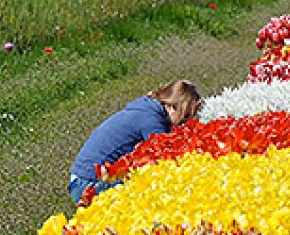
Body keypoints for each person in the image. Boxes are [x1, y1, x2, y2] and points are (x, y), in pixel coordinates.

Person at [68, 79, 201, 205]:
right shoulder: (151, 121)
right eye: (185, 117)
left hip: (81, 178)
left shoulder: (148, 108)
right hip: (87, 185)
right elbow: (165, 158)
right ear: (170, 106)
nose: (186, 123)